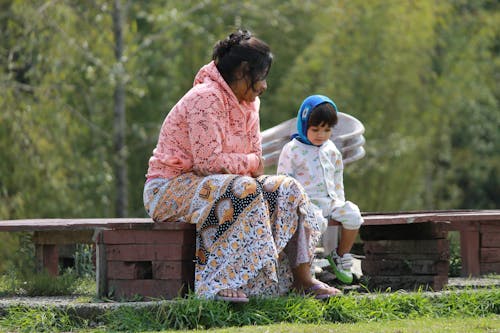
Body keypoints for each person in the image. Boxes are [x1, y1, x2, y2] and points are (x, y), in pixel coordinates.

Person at [143, 30, 340, 302]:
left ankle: (302, 280)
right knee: (241, 188)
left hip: (220, 183)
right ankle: (218, 284)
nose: (264, 86)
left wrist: (247, 163)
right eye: (262, 76)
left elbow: (255, 162)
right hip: (168, 189)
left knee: (287, 189)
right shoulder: (205, 98)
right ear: (244, 71)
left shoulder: (250, 103)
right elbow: (210, 163)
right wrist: (248, 163)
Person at [277, 94, 364, 284]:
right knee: (315, 221)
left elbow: (337, 177)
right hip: (306, 204)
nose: (321, 135)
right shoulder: (293, 150)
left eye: (326, 130)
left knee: (353, 214)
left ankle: (339, 256)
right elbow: (284, 182)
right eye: (315, 129)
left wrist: (339, 202)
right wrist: (293, 207)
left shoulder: (331, 149)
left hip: (330, 202)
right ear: (303, 124)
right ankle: (307, 264)